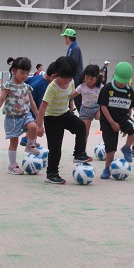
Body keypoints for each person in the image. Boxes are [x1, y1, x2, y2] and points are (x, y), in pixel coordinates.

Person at [36, 56, 92, 184]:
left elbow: (70, 96)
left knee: (80, 126)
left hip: (65, 113)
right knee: (55, 148)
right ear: (56, 74)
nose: (67, 81)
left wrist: (71, 107)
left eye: (70, 77)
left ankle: (79, 153)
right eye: (64, 78)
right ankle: (51, 174)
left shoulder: (71, 82)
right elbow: (43, 106)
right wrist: (39, 125)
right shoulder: (52, 87)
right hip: (52, 119)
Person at [0, 57, 39, 175]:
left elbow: (32, 102)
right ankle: (12, 165)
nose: (24, 76)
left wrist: (38, 115)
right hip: (12, 118)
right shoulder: (8, 85)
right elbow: (1, 100)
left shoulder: (27, 86)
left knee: (33, 126)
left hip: (25, 114)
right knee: (14, 142)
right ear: (14, 71)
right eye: (22, 73)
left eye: (27, 73)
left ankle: (30, 145)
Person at [98, 62, 134, 179]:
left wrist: (127, 125)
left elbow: (129, 108)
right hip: (108, 121)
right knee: (111, 147)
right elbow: (103, 107)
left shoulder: (130, 91)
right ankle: (107, 169)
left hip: (122, 118)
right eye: (119, 81)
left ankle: (126, 147)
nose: (121, 84)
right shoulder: (107, 89)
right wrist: (112, 123)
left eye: (124, 82)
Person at [19, 62, 56, 146]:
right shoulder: (45, 86)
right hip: (32, 107)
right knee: (35, 124)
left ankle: (27, 138)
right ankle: (32, 144)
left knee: (32, 125)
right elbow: (41, 105)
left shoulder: (38, 76)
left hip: (25, 104)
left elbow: (26, 81)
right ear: (53, 76)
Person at [71, 64, 103, 143]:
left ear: (97, 78)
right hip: (85, 110)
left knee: (103, 117)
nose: (88, 81)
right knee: (85, 132)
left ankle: (106, 142)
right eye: (87, 78)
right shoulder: (82, 87)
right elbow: (71, 96)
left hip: (97, 109)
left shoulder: (101, 87)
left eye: (91, 79)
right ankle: (82, 150)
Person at [61, 28, 83, 112]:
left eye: (65, 37)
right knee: (71, 98)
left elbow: (73, 64)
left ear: (67, 37)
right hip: (72, 78)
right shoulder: (72, 48)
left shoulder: (75, 48)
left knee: (77, 99)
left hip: (75, 79)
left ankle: (82, 117)